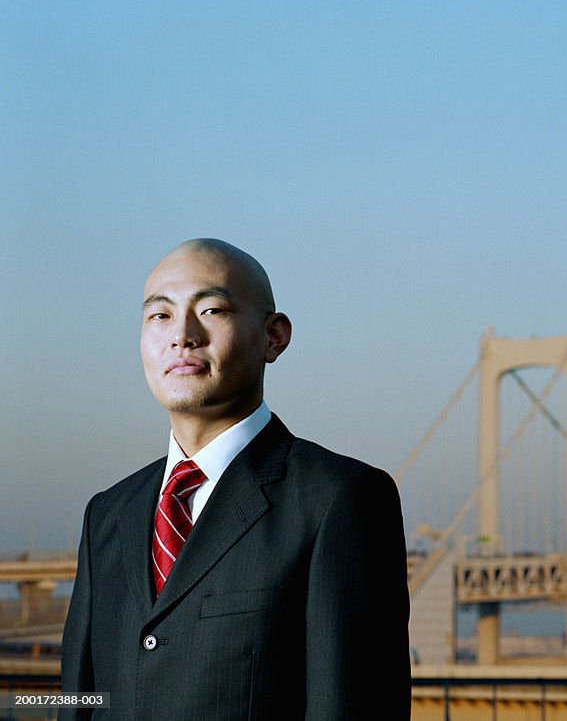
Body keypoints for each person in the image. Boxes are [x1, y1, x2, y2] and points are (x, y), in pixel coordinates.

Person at [60, 238, 411, 720]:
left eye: (212, 310)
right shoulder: (107, 512)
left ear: (274, 337)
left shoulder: (340, 498)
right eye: (159, 316)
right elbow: (80, 699)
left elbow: (352, 706)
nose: (181, 335)